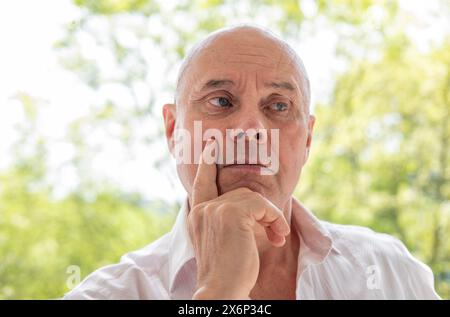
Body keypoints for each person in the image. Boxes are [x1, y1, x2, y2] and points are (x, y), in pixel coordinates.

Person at [63, 25, 440, 300]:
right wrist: (218, 292)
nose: (251, 129)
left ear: (307, 140)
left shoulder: (392, 274)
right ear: (174, 130)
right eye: (221, 101)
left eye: (278, 106)